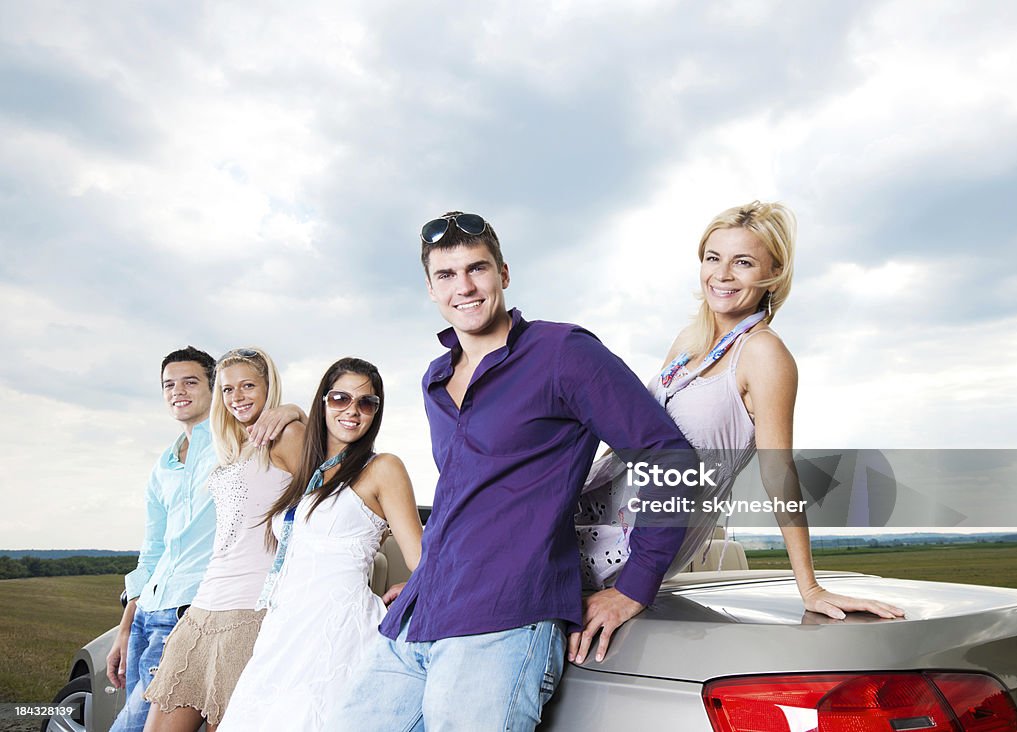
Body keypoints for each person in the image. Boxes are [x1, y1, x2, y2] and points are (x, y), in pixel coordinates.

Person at [328, 212, 700, 731]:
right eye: (446, 275)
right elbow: (470, 496)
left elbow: (670, 456)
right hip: (420, 616)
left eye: (476, 269)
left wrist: (636, 585)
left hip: (505, 619)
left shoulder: (562, 353)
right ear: (431, 289)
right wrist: (425, 576)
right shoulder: (435, 379)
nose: (464, 286)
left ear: (503, 273)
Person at [577, 201, 904, 620]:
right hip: (593, 501)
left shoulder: (763, 354)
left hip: (637, 542)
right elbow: (635, 437)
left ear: (773, 275)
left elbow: (778, 472)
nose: (723, 274)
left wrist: (811, 588)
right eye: (713, 258)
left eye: (743, 262)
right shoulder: (687, 342)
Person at [218, 357, 422, 731]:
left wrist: (414, 586)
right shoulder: (309, 470)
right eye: (340, 398)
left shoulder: (383, 468)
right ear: (323, 401)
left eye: (366, 403)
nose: (352, 410)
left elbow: (421, 558)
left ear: (377, 411)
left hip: (338, 629)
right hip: (285, 626)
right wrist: (293, 411)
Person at [106, 347, 301, 732]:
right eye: (168, 385)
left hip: (230, 608)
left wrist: (294, 411)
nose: (178, 391)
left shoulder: (271, 434)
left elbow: (322, 480)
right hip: (178, 612)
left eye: (190, 382)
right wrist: (127, 622)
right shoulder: (180, 460)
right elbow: (154, 551)